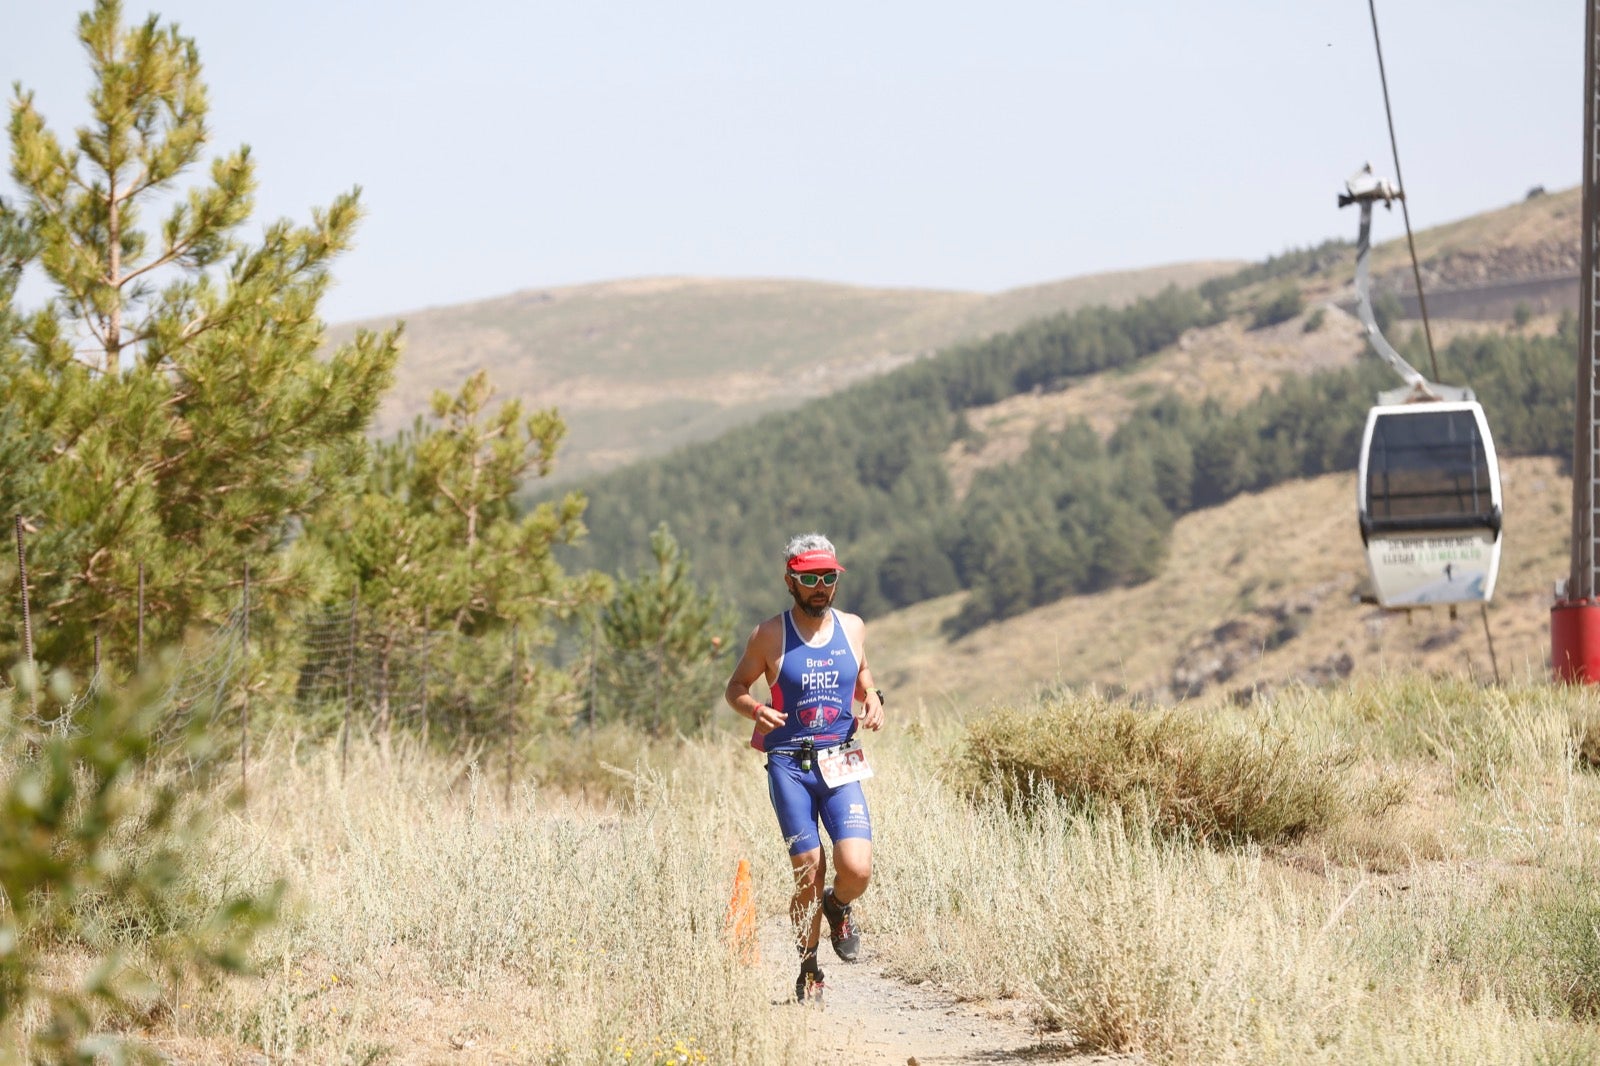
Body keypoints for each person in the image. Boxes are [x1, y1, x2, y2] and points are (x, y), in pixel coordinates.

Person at [724, 532, 885, 1004]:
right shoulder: (769, 634)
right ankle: (809, 967)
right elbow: (735, 686)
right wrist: (755, 709)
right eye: (809, 578)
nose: (820, 587)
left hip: (840, 757)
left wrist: (872, 696)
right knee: (808, 870)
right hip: (788, 764)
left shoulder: (853, 627)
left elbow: (861, 672)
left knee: (856, 869)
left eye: (828, 578)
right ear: (790, 581)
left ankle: (838, 907)